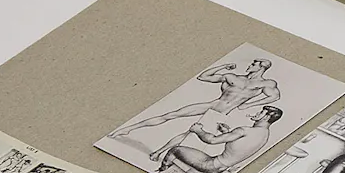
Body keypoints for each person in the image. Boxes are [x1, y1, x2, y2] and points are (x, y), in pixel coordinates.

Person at [111, 57, 281, 151]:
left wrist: (248, 105)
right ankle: (127, 128)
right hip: (213, 105)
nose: (249, 65)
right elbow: (203, 77)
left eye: (253, 64)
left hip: (221, 113)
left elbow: (274, 97)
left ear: (261, 68)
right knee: (171, 115)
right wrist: (223, 66)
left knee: (189, 133)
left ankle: (159, 153)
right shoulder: (234, 77)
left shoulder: (266, 83)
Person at [154, 104, 283, 173]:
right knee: (200, 158)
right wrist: (227, 133)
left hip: (211, 166)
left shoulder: (244, 130)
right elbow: (240, 145)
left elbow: (211, 140)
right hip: (222, 168)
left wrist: (198, 130)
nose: (257, 113)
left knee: (175, 150)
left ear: (267, 117)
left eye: (261, 112)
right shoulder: (264, 135)